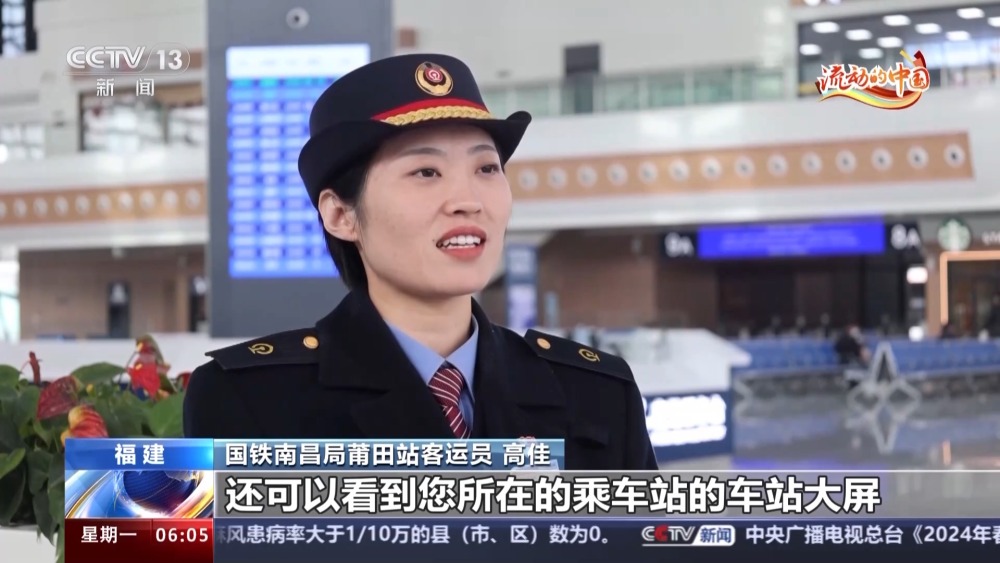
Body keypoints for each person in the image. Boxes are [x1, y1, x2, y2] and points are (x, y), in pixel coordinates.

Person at [183, 54, 658, 470]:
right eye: (426, 172)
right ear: (341, 215)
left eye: (486, 168)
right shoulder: (250, 399)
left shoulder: (596, 391)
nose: (468, 201)